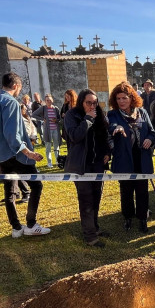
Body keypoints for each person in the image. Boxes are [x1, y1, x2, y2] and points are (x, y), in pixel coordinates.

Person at [0, 72, 50, 238]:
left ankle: (16, 227)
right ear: (16, 86)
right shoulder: (11, 102)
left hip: (0, 155)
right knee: (36, 185)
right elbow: (12, 133)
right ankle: (31, 224)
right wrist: (28, 152)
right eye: (20, 87)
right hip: (16, 154)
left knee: (10, 191)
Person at [64, 89, 112, 247]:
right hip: (81, 165)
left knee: (96, 197)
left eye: (95, 102)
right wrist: (87, 120)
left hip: (97, 163)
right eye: (88, 103)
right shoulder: (72, 115)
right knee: (86, 200)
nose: (92, 106)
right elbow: (75, 136)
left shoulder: (100, 114)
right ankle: (90, 236)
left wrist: (107, 153)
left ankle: (95, 227)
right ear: (81, 102)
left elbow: (104, 136)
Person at [107, 82, 155, 233]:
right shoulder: (113, 114)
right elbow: (112, 125)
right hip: (124, 159)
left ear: (131, 97)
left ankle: (142, 218)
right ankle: (128, 217)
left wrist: (149, 138)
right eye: (118, 98)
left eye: (124, 98)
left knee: (142, 191)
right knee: (126, 191)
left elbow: (152, 131)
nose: (121, 101)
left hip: (142, 158)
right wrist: (117, 128)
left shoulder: (142, 112)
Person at [31, 93, 62, 168]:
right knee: (48, 147)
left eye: (50, 100)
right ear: (45, 101)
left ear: (52, 100)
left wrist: (56, 120)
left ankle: (58, 161)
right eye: (47, 100)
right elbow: (34, 114)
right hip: (47, 130)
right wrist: (42, 119)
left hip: (55, 130)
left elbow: (59, 119)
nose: (49, 101)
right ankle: (49, 162)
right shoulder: (43, 108)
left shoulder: (56, 108)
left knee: (56, 146)